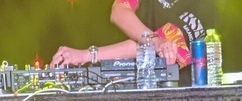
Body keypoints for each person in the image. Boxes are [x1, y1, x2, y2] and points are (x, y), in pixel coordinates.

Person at [50, 0, 211, 70]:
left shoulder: (206, 5)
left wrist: (87, 55)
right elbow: (119, 11)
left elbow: (166, 43)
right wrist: (155, 41)